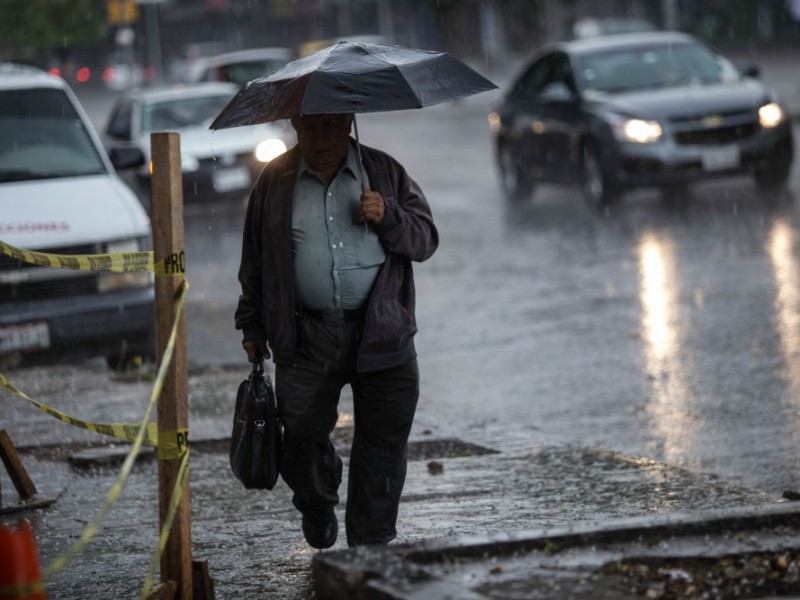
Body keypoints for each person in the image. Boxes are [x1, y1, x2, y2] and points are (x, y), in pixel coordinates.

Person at [235, 112, 438, 549]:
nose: (320, 139)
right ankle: (317, 500)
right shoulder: (276, 180)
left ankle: (371, 540)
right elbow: (255, 259)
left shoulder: (382, 170)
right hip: (305, 335)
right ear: (294, 127)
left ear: (347, 122)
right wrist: (251, 322)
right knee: (302, 434)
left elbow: (425, 239)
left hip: (383, 331)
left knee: (383, 444)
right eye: (309, 128)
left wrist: (387, 215)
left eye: (329, 127)